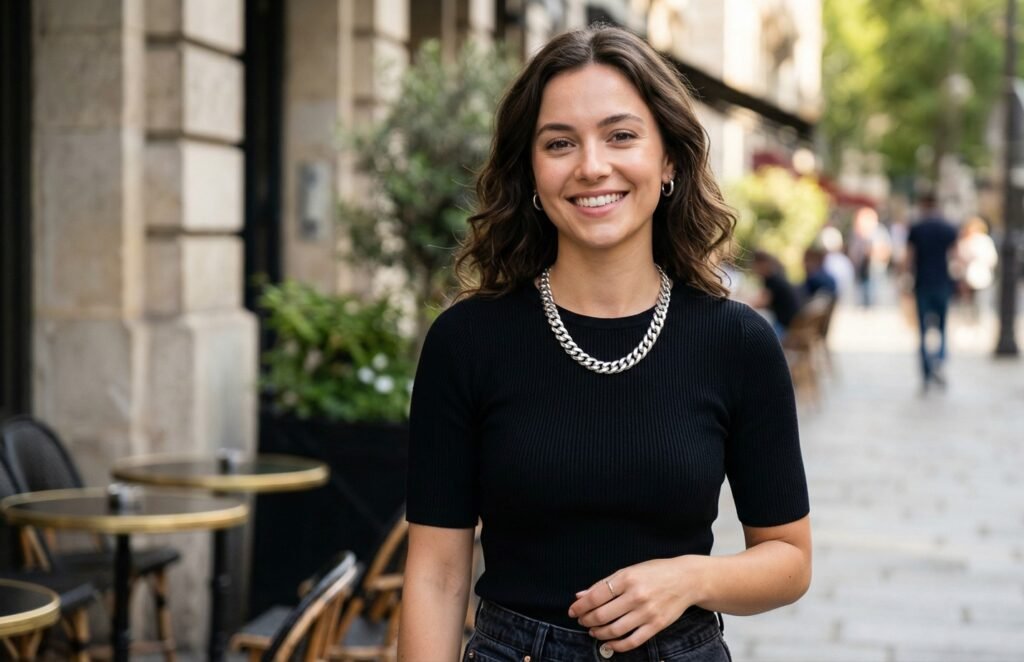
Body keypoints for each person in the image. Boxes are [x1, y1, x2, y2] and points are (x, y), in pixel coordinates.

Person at [399, 26, 811, 662]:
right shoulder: (466, 341)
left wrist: (691, 579)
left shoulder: (738, 342)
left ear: (668, 159)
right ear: (531, 172)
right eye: (560, 143)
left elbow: (788, 559)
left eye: (621, 135)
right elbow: (436, 574)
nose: (592, 165)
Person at [904, 191, 958, 390]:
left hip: (922, 284)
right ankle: (939, 361)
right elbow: (955, 257)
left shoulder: (917, 228)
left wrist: (903, 280)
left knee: (923, 331)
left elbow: (909, 257)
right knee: (942, 329)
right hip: (943, 283)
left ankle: (927, 371)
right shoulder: (948, 228)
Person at [952, 216, 998, 320]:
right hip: (968, 277)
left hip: (979, 276)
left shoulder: (982, 241)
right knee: (972, 305)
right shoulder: (965, 241)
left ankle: (975, 323)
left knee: (979, 305)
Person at [750, 250, 804, 337]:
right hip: (789, 320)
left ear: (763, 264)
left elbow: (761, 303)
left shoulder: (773, 280)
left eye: (755, 265)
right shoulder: (775, 277)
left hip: (785, 325)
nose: (754, 269)